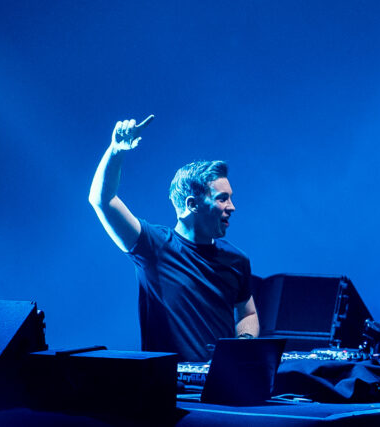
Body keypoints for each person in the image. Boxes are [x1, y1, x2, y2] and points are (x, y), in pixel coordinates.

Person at [88, 115, 259, 361]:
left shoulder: (237, 259)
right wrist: (116, 150)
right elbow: (102, 200)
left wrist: (244, 342)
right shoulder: (153, 246)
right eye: (222, 199)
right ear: (192, 204)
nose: (232, 207)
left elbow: (248, 313)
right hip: (167, 383)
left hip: (221, 382)